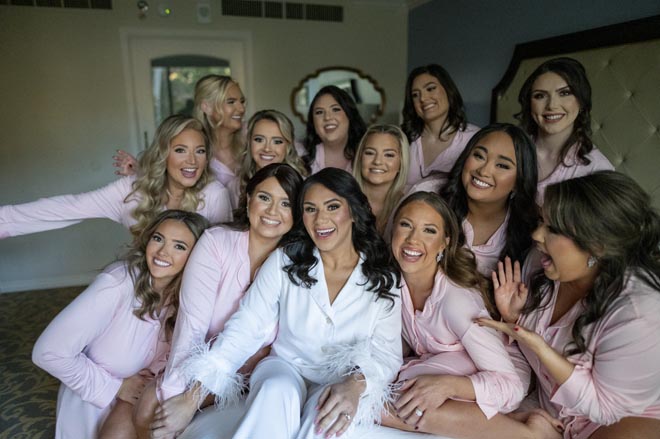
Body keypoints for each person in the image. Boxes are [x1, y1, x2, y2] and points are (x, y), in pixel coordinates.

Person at [171, 168, 402, 439]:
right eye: (310, 209)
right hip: (284, 366)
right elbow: (247, 326)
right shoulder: (285, 261)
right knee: (273, 390)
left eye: (332, 206)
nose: (320, 219)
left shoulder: (384, 277)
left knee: (327, 420)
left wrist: (355, 385)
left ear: (353, 211)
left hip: (339, 378)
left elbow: (387, 353)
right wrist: (192, 398)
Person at [479, 171, 660, 438]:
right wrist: (514, 318)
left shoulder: (638, 313)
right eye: (542, 221)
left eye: (552, 229)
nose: (537, 235)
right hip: (553, 409)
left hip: (619, 419)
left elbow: (605, 409)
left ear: (596, 246)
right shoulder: (540, 264)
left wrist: (541, 349)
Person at [138, 163, 303, 438]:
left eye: (285, 204)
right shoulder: (216, 242)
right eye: (264, 198)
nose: (273, 211)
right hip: (202, 362)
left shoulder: (294, 265)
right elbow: (191, 327)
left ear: (296, 214)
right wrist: (175, 396)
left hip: (255, 374)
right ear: (249, 198)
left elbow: (263, 342)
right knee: (149, 411)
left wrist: (192, 401)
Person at [32, 210, 209, 439]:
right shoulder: (117, 284)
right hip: (95, 406)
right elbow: (47, 352)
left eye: (179, 246)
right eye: (158, 238)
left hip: (143, 404)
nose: (163, 252)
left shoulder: (189, 298)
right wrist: (116, 387)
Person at [381, 191, 540, 438]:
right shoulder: (392, 285)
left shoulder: (456, 302)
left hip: (503, 375)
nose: (413, 239)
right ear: (393, 231)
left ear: (445, 242)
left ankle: (527, 433)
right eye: (406, 225)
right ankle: (503, 423)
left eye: (429, 231)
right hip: (452, 361)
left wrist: (447, 386)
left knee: (399, 392)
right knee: (396, 384)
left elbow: (511, 385)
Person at [1, 115, 231, 239]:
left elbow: (224, 257)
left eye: (199, 151)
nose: (192, 161)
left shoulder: (214, 194)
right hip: (141, 288)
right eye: (181, 150)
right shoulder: (130, 190)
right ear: (163, 153)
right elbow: (68, 207)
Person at [414, 123, 538, 276]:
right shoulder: (427, 194)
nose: (483, 171)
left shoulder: (531, 231)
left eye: (502, 165)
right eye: (479, 156)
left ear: (519, 182)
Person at [114, 74, 246, 187]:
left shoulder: (253, 137)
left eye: (242, 101)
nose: (241, 109)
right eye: (231, 102)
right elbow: (168, 185)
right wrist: (140, 174)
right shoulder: (188, 144)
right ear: (207, 107)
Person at [515, 57, 613, 205]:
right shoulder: (511, 149)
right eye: (540, 96)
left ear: (581, 101)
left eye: (565, 93)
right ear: (530, 105)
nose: (552, 105)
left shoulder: (597, 169)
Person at [401, 64, 480, 191]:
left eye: (431, 89)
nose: (423, 98)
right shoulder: (404, 139)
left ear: (449, 91)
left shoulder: (474, 138)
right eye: (415, 95)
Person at [227, 110, 307, 207]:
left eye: (277, 142)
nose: (267, 148)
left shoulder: (303, 186)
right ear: (249, 143)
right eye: (259, 140)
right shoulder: (234, 187)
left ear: (288, 146)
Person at [352, 124, 410, 236]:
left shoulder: (409, 205)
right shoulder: (342, 200)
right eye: (370, 153)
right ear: (360, 158)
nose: (377, 161)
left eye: (389, 155)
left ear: (401, 163)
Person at [302, 85, 367, 174]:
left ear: (350, 115)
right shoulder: (299, 155)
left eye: (335, 109)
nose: (327, 117)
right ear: (313, 124)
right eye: (319, 112)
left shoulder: (367, 154)